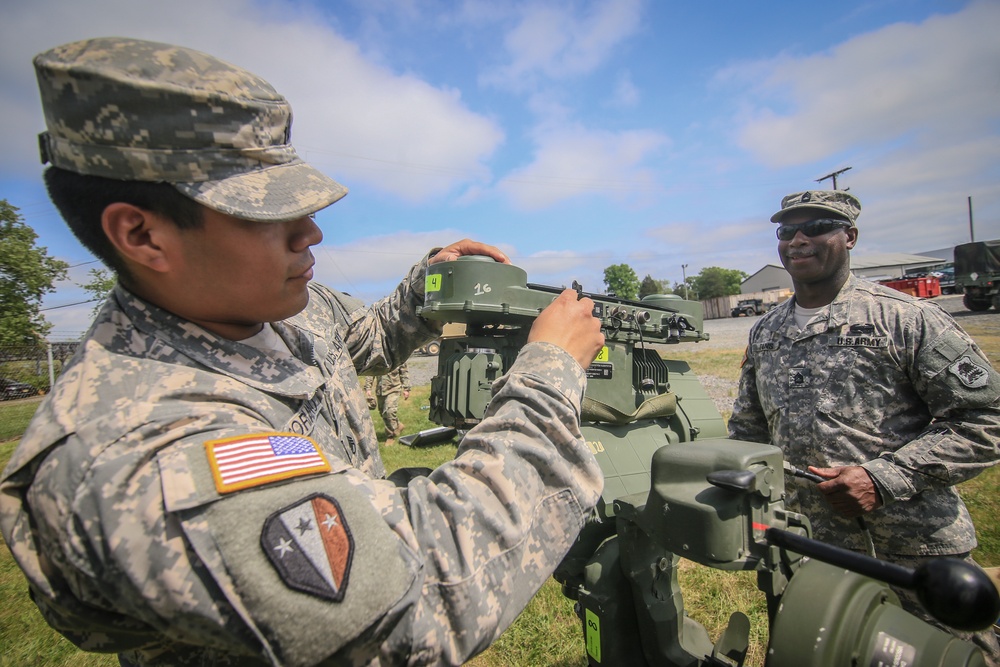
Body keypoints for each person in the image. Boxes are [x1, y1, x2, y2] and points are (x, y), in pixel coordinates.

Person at [0, 37, 606, 667]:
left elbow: (370, 339)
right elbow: (417, 602)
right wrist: (549, 372)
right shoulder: (138, 452)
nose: (311, 231)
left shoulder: (280, 306)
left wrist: (432, 286)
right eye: (264, 211)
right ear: (142, 234)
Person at [728, 189, 1000, 663]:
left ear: (849, 236)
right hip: (810, 547)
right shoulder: (767, 330)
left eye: (816, 228)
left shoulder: (905, 318)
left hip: (911, 550)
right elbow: (749, 433)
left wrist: (884, 478)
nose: (798, 240)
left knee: (947, 657)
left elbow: (986, 419)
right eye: (787, 231)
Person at [364, 363, 411, 445]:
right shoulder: (378, 358)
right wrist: (368, 388)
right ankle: (398, 425)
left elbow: (404, 373)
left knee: (389, 412)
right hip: (380, 390)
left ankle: (390, 436)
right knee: (383, 413)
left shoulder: (398, 358)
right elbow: (371, 373)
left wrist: (406, 389)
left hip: (394, 389)